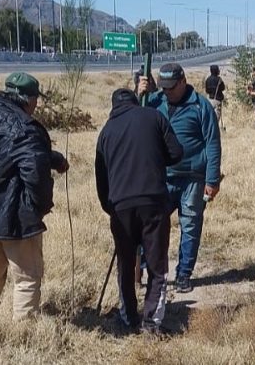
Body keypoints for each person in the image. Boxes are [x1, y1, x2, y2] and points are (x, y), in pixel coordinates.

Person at [0, 72, 69, 321]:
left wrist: (51, 158)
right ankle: (23, 335)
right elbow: (33, 173)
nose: (36, 105)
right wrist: (39, 208)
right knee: (27, 277)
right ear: (27, 99)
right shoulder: (25, 128)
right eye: (35, 99)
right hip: (15, 216)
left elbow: (5, 155)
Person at [95, 88, 183, 334]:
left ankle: (128, 318)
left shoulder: (106, 132)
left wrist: (110, 208)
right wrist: (154, 159)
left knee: (125, 264)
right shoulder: (154, 117)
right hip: (153, 202)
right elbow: (176, 153)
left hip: (120, 206)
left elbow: (101, 178)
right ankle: (152, 323)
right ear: (135, 102)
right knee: (156, 264)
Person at [138, 63, 222, 294]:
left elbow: (213, 144)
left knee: (191, 225)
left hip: (193, 179)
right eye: (163, 87)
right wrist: (138, 94)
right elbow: (131, 120)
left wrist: (212, 180)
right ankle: (150, 269)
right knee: (152, 225)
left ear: (183, 81)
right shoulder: (154, 101)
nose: (166, 91)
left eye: (171, 87)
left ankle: (184, 273)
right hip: (161, 177)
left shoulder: (201, 106)